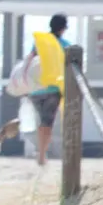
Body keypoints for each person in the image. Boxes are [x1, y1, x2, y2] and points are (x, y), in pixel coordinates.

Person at [23, 13, 70, 166]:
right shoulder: (65, 45)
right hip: (52, 89)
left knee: (40, 120)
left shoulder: (40, 42)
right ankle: (42, 154)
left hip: (36, 88)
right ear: (63, 28)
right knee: (47, 122)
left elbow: (31, 59)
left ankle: (41, 152)